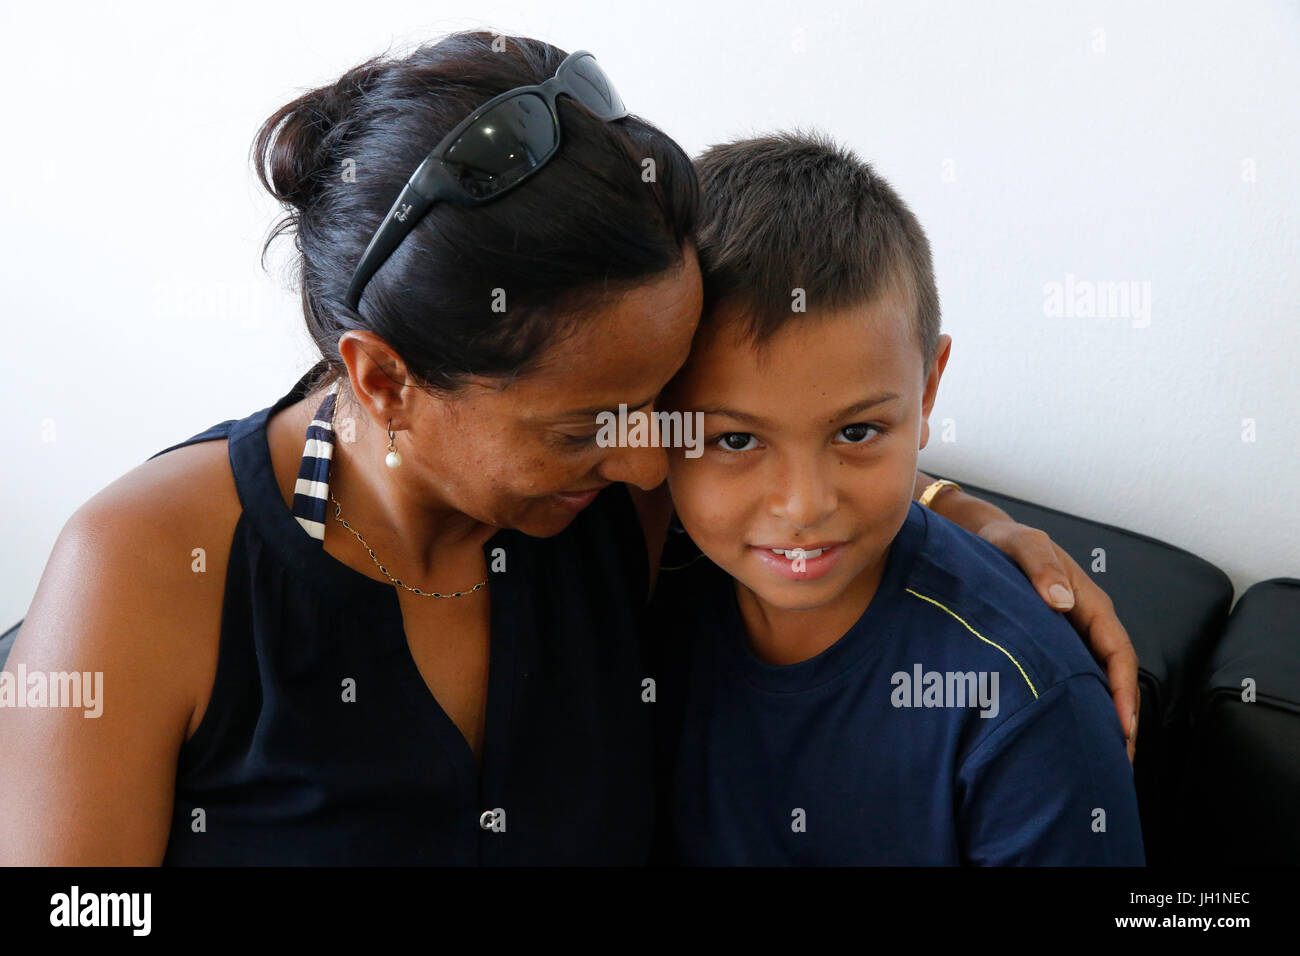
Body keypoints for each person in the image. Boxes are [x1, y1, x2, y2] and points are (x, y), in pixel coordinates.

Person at [0, 33, 1137, 866]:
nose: (650, 465)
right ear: (384, 378)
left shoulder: (612, 502)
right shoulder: (145, 567)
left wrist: (965, 515)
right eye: (589, 425)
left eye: (666, 404)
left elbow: (798, 431)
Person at [649, 130, 1144, 865]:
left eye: (856, 431)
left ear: (930, 385)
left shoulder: (1021, 704)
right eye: (735, 440)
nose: (803, 505)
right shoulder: (639, 571)